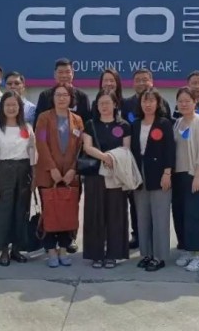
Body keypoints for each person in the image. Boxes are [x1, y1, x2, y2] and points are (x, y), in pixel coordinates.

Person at [0, 91, 37, 266]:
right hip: (3, 171)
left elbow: (33, 153)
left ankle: (17, 249)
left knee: (21, 210)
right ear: (2, 108)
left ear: (20, 107)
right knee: (3, 211)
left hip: (23, 172)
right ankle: (4, 249)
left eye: (14, 105)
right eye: (7, 105)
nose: (11, 108)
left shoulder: (27, 128)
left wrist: (34, 177)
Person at [34, 83, 84, 268]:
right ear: (53, 98)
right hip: (48, 175)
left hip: (71, 176)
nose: (62, 98)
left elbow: (80, 148)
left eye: (65, 95)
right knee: (50, 213)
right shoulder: (44, 118)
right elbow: (41, 143)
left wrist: (73, 169)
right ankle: (51, 250)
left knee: (67, 213)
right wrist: (52, 168)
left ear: (71, 98)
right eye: (58, 95)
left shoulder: (77, 120)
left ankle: (63, 248)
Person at [82, 90, 132, 269]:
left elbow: (126, 149)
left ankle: (114, 254)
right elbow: (87, 147)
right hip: (95, 175)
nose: (104, 106)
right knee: (94, 213)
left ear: (115, 104)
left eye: (107, 103)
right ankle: (96, 254)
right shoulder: (90, 124)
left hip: (116, 174)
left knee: (115, 213)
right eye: (100, 103)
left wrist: (113, 158)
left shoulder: (124, 125)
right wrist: (105, 157)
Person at [130, 88, 175, 272]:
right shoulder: (135, 124)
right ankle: (146, 254)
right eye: (144, 101)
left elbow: (170, 149)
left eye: (151, 101)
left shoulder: (164, 123)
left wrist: (167, 173)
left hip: (159, 173)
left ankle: (159, 256)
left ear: (158, 103)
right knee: (143, 217)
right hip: (139, 175)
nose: (147, 104)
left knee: (160, 217)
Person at [172, 87, 199, 272]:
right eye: (180, 101)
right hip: (178, 175)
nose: (184, 104)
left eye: (187, 101)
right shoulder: (178, 122)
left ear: (195, 102)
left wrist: (198, 175)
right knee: (180, 213)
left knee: (193, 214)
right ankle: (187, 249)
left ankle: (198, 254)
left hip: (194, 175)